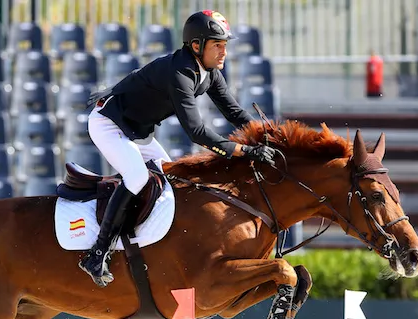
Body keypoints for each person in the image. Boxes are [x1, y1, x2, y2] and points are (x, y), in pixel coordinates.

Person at [79, 10, 276, 288]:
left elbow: (234, 112)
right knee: (137, 178)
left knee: (171, 180)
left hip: (138, 132)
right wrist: (244, 152)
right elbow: (196, 131)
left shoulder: (209, 73)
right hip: (108, 124)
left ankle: (146, 246)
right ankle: (97, 253)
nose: (223, 52)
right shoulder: (181, 72)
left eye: (225, 45)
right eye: (217, 45)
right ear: (196, 46)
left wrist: (268, 133)